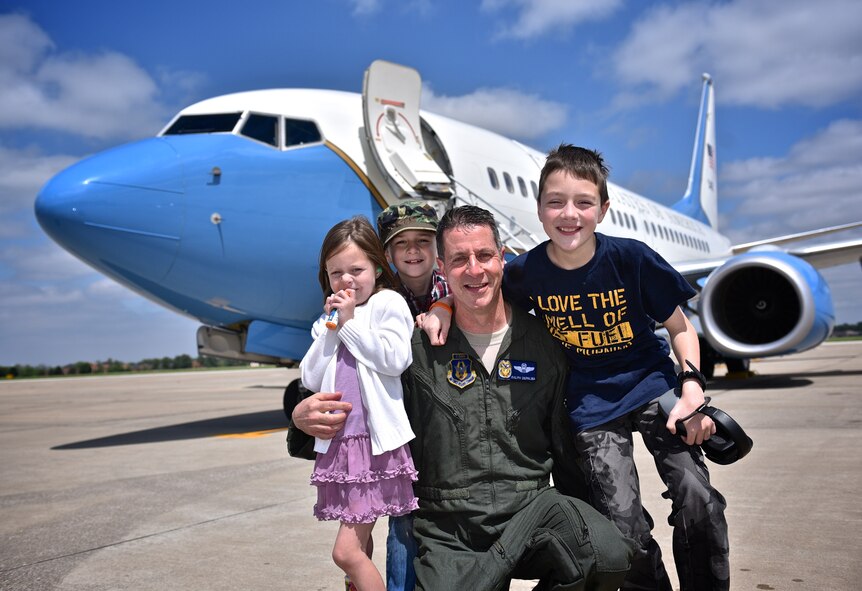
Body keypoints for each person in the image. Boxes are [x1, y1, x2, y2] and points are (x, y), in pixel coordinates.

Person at [422, 146, 729, 590]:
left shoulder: (632, 259)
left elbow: (680, 327)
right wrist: (442, 305)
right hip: (591, 406)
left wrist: (693, 388)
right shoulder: (526, 274)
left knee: (698, 498)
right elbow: (476, 283)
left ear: (603, 210)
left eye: (584, 202)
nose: (570, 214)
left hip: (652, 386)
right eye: (555, 202)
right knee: (624, 527)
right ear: (540, 210)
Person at [295, 205, 634, 591]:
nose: (474, 269)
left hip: (528, 509)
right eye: (459, 259)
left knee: (603, 553)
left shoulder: (541, 343)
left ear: (502, 259)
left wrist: (586, 516)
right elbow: (362, 403)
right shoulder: (415, 349)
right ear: (443, 267)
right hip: (450, 528)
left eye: (485, 255)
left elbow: (564, 437)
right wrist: (301, 418)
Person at [300, 216, 418, 591]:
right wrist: (334, 326)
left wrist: (349, 323)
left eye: (356, 269)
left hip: (373, 444)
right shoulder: (330, 319)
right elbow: (310, 376)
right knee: (359, 546)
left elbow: (394, 358)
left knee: (346, 551)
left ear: (378, 267)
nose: (346, 280)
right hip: (341, 445)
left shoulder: (387, 302)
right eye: (336, 273)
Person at [376, 201, 450, 591]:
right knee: (402, 520)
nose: (413, 250)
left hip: (449, 425)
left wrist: (447, 304)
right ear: (387, 255)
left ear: (437, 247)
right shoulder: (378, 300)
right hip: (401, 427)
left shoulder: (458, 288)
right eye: (401, 243)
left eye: (423, 240)